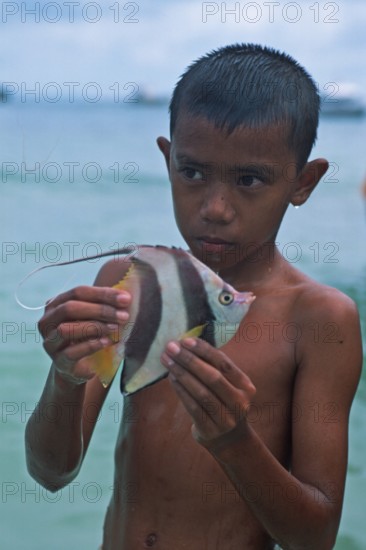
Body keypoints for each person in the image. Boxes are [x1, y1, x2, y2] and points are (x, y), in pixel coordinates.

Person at [25, 44, 362, 549]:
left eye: (249, 179)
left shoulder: (319, 319)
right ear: (168, 160)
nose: (216, 208)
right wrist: (66, 378)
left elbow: (313, 537)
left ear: (303, 181)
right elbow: (51, 473)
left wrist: (235, 442)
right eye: (193, 172)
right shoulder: (129, 280)